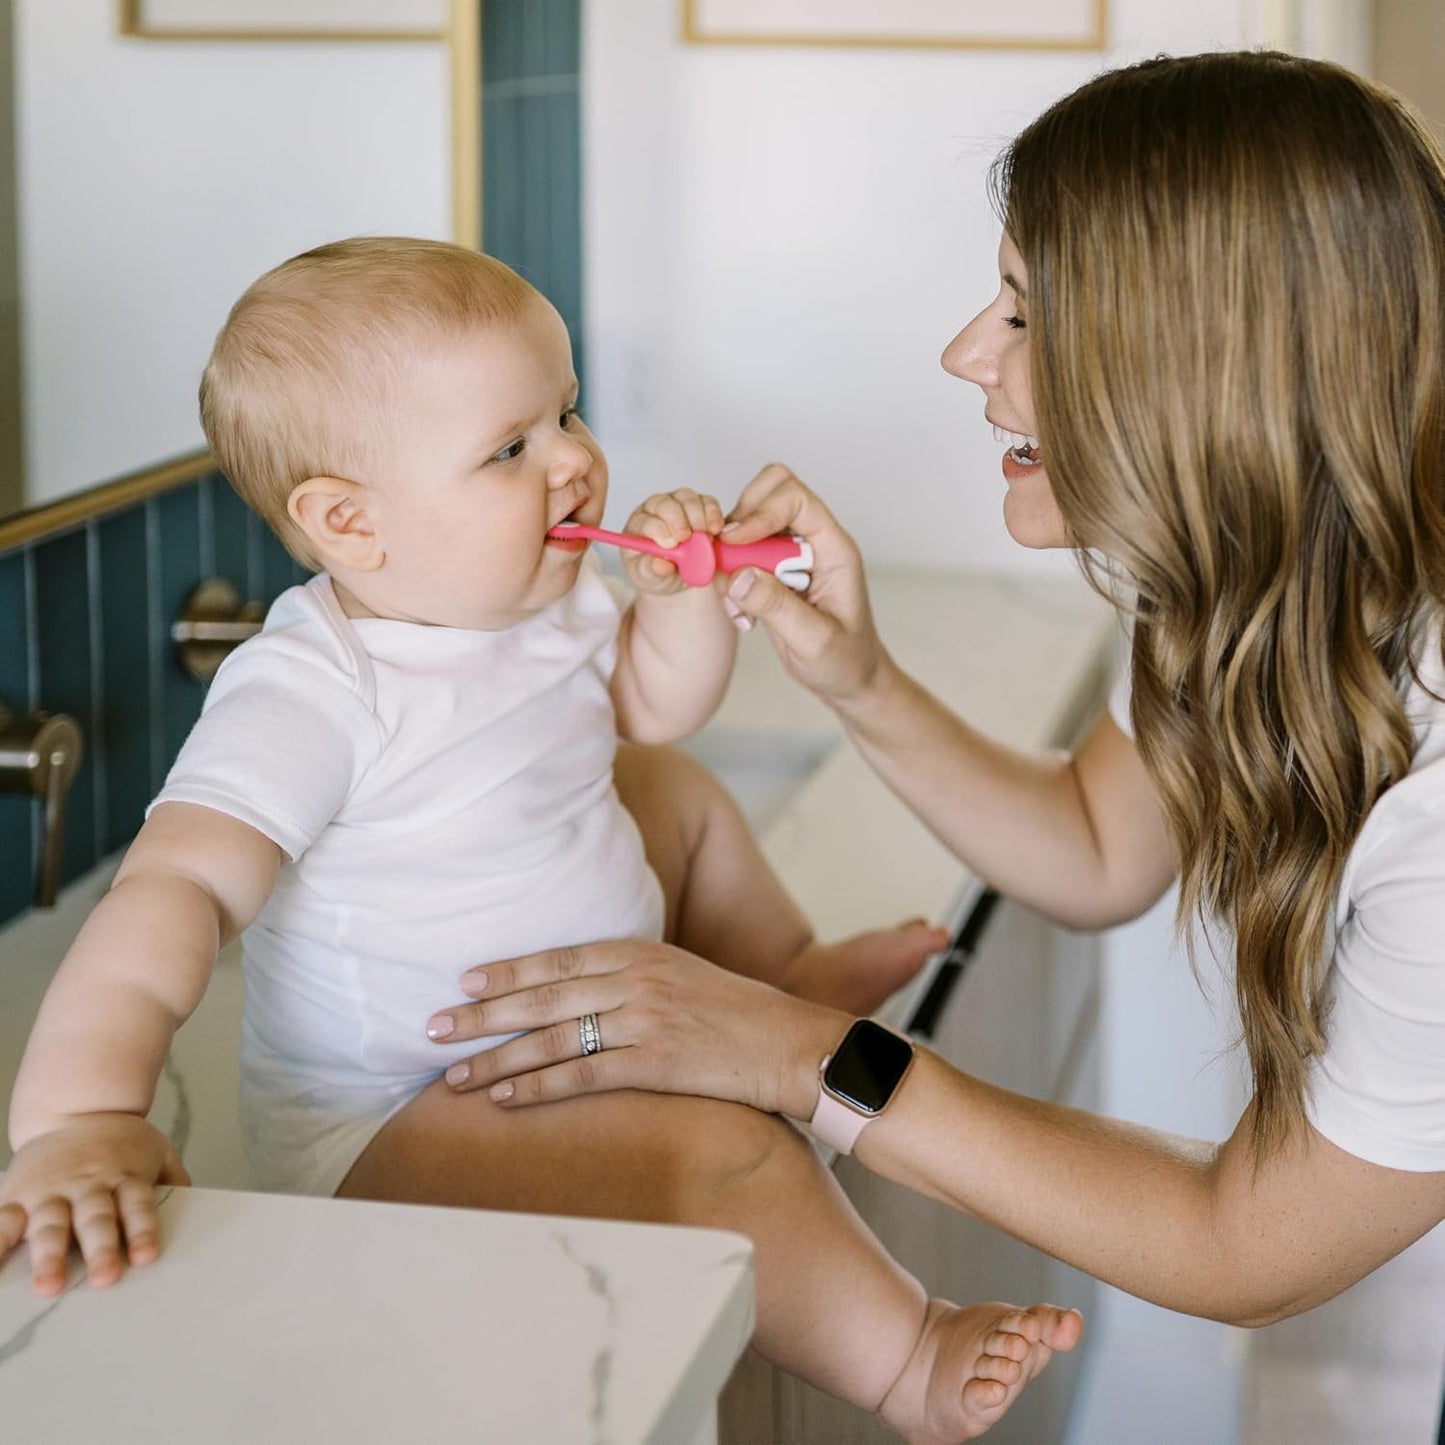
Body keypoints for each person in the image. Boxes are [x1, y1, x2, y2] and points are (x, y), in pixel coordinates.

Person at [428, 48, 1445, 1355]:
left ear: (1199, 359)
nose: (967, 351)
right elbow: (1095, 845)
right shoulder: (1251, 590)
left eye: (1022, 311)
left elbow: (1247, 1241)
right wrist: (857, 676)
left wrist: (805, 1052)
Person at [0, 237, 1083, 1442]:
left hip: (578, 1007)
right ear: (349, 522)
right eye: (509, 448)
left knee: (668, 788)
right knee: (723, 1152)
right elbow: (176, 889)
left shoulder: (543, 601)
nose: (573, 458)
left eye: (563, 411)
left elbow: (657, 705)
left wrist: (675, 603)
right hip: (415, 1111)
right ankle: (906, 1353)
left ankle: (778, 974)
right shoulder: (313, 688)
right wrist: (82, 1116)